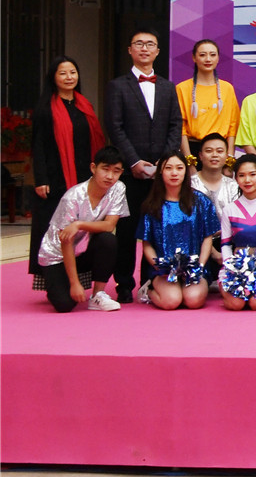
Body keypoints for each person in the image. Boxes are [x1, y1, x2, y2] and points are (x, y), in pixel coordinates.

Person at [105, 29, 183, 303]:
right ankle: (124, 284)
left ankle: (152, 280)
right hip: (130, 171)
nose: (145, 48)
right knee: (127, 230)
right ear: (130, 50)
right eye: (139, 44)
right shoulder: (117, 86)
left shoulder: (168, 87)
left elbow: (175, 124)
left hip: (161, 172)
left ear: (158, 51)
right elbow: (115, 127)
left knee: (159, 228)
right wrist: (134, 161)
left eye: (150, 44)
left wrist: (165, 161)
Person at [28, 56, 103, 295]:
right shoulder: (45, 109)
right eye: (63, 73)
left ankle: (80, 279)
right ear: (53, 78)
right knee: (54, 229)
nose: (69, 77)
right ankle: (53, 280)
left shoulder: (84, 105)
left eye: (73, 72)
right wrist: (41, 179)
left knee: (80, 230)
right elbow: (38, 146)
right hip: (55, 180)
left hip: (83, 178)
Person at [36, 146, 129, 311]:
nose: (110, 176)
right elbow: (66, 241)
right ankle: (56, 285)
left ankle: (98, 295)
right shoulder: (72, 197)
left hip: (84, 248)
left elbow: (109, 225)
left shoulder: (118, 188)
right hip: (58, 254)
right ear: (93, 168)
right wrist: (74, 283)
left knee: (108, 240)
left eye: (116, 171)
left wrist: (78, 224)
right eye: (105, 169)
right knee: (64, 304)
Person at [137, 152, 217, 311]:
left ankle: (189, 285)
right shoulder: (151, 205)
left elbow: (208, 238)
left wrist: (199, 266)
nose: (174, 173)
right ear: (161, 171)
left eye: (179, 168)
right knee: (171, 301)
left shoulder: (201, 201)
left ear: (185, 171)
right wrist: (159, 267)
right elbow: (147, 244)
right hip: (164, 271)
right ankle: (149, 290)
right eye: (169, 168)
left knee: (193, 300)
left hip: (194, 268)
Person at [217, 154, 256, 312]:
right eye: (241, 175)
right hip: (235, 268)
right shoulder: (229, 209)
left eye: (252, 175)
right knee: (236, 304)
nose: (247, 180)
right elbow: (225, 244)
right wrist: (231, 267)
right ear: (236, 178)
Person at [177, 39, 239, 158]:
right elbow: (181, 127)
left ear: (218, 58)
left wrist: (230, 157)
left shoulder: (227, 88)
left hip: (221, 150)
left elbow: (233, 125)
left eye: (212, 55)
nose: (208, 59)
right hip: (193, 149)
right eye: (202, 55)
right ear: (194, 58)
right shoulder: (182, 88)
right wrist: (188, 159)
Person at [191, 132, 240, 212]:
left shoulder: (233, 186)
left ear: (226, 156)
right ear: (200, 155)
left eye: (219, 151)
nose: (214, 155)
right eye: (209, 151)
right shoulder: (190, 183)